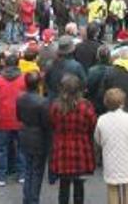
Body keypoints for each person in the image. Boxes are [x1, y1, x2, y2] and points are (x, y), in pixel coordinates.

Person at [49, 74, 97, 204]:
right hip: (81, 148)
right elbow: (93, 124)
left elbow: (52, 124)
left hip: (62, 149)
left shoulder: (56, 106)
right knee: (79, 185)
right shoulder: (86, 106)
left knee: (63, 186)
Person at [95, 88, 128, 204]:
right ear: (122, 103)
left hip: (110, 159)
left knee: (112, 189)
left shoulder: (101, 120)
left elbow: (98, 139)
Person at [0, 52, 27, 186]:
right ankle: (22, 174)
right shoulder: (24, 79)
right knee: (21, 147)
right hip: (20, 118)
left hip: (3, 118)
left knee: (2, 148)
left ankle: (1, 176)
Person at [16, 71, 50, 204]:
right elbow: (46, 123)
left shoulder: (20, 98)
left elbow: (18, 117)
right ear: (39, 84)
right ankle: (33, 199)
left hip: (24, 134)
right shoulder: (43, 102)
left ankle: (27, 198)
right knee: (36, 171)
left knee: (28, 169)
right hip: (39, 138)